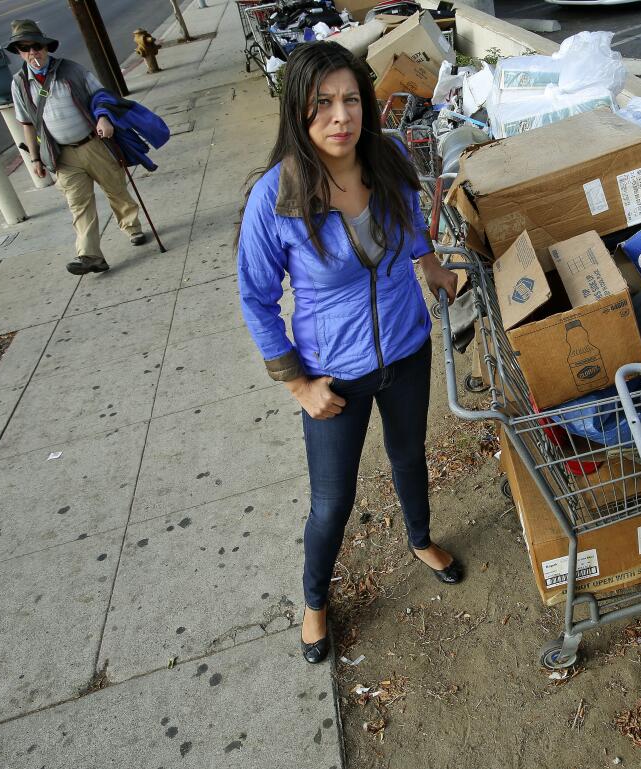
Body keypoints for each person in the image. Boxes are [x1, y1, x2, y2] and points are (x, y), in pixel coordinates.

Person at [236, 42, 462, 665]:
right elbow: (256, 300)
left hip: (407, 350)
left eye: (352, 100)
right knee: (332, 502)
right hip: (333, 375)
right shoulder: (274, 198)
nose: (342, 117)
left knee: (408, 452)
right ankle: (314, 603)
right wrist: (299, 386)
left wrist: (432, 266)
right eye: (324, 104)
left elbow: (410, 217)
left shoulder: (384, 158)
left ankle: (420, 538)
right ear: (299, 112)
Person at [7, 19, 147, 276]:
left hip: (93, 143)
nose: (32, 53)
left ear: (45, 46)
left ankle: (132, 227)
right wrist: (35, 159)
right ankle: (90, 255)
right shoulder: (19, 84)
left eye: (35, 46)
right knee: (78, 205)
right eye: (24, 48)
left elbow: (102, 96)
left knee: (115, 188)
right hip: (62, 155)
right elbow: (27, 124)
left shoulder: (71, 70)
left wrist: (104, 118)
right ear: (19, 52)